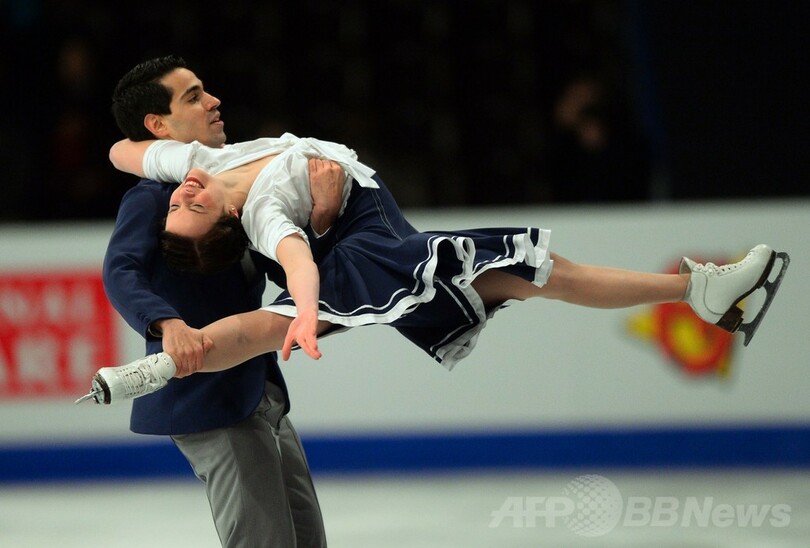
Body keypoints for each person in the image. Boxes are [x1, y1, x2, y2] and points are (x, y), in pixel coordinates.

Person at [86, 123, 789, 404]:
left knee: (540, 272)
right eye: (187, 208)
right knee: (261, 330)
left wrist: (146, 148)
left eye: (177, 197)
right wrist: (305, 314)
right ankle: (154, 367)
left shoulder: (199, 162)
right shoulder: (265, 212)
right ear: (225, 224)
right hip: (372, 245)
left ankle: (697, 289)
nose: (180, 194)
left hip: (373, 236)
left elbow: (123, 151)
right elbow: (299, 267)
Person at [100, 55, 335, 548]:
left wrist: (322, 217)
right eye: (194, 96)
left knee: (306, 540)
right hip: (209, 402)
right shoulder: (157, 196)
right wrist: (168, 324)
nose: (213, 102)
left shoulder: (229, 186)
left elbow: (282, 264)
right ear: (158, 125)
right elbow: (120, 271)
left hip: (259, 391)